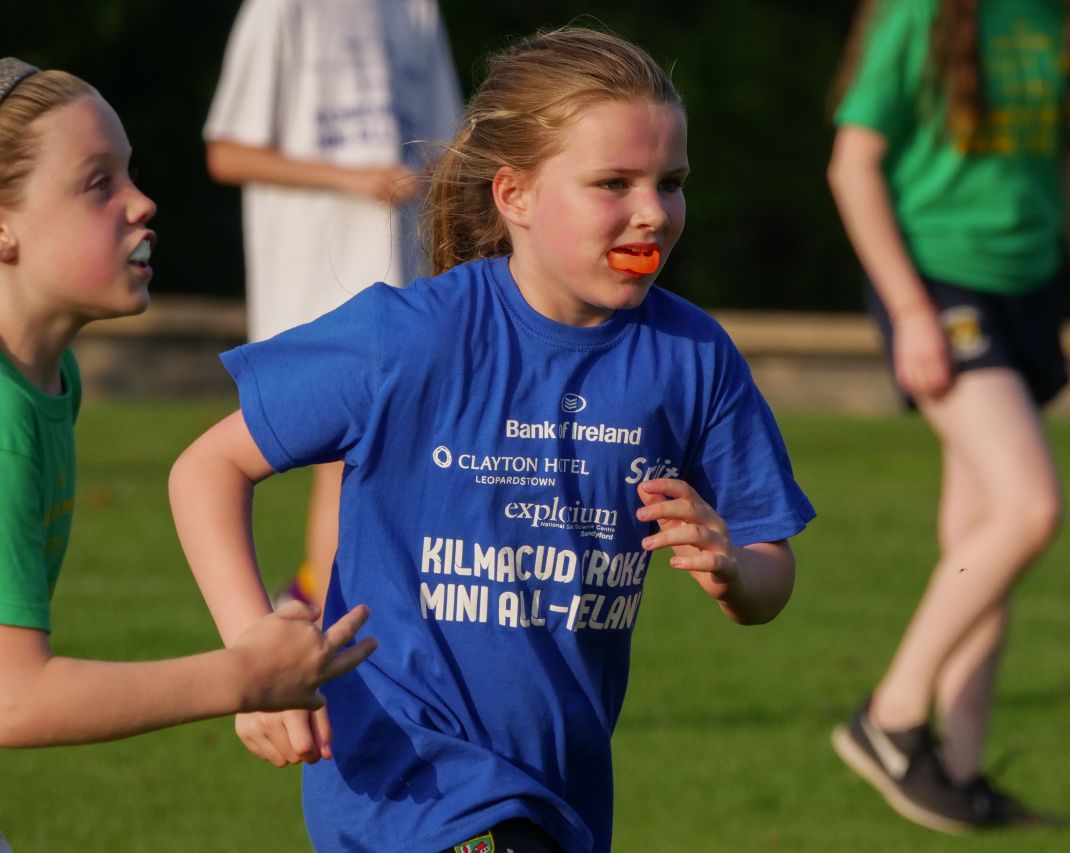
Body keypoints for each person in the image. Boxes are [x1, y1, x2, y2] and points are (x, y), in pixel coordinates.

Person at [168, 26, 816, 853]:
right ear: (513, 196)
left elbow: (773, 568)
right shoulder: (411, 338)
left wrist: (732, 569)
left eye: (671, 182)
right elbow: (209, 466)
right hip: (412, 781)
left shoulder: (690, 357)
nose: (653, 210)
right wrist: (252, 647)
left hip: (563, 790)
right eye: (613, 182)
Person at [0, 58, 377, 759]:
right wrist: (245, 674)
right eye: (97, 184)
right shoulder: (4, 421)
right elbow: (11, 697)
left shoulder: (50, 380)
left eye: (129, 174)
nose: (140, 203)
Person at [826, 0, 1070, 834]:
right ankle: (889, 718)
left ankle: (958, 777)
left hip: (1026, 293)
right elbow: (851, 166)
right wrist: (910, 310)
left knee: (981, 539)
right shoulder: (921, 16)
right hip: (939, 285)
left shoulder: (1061, 17)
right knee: (1030, 508)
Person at [204, 0, 464, 611]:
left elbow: (452, 145)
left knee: (370, 452)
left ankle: (311, 609)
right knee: (346, 447)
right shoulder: (281, 9)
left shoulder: (414, 9)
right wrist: (353, 178)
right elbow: (228, 151)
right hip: (312, 275)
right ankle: (310, 611)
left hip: (406, 275)